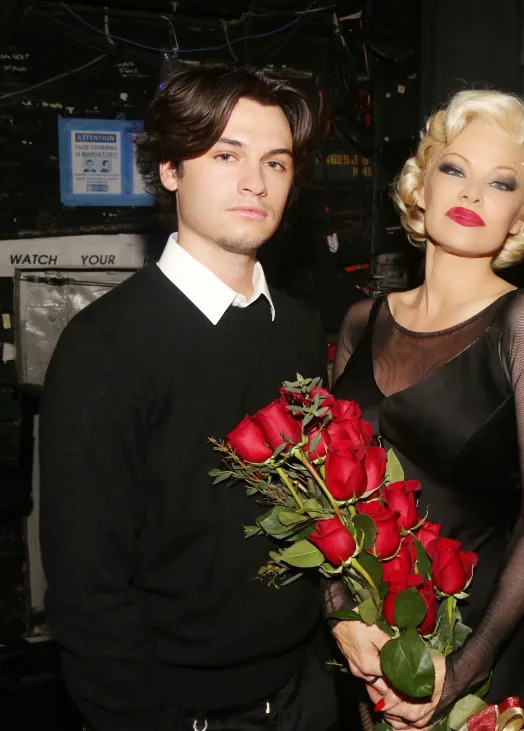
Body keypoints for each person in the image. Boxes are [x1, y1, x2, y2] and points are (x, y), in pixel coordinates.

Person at [40, 66, 338, 731]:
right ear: (171, 167)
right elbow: (90, 597)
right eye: (225, 154)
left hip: (305, 692)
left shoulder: (294, 327)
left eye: (277, 162)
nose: (255, 182)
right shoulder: (105, 347)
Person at [329, 89, 524, 730]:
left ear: (519, 217)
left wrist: (465, 667)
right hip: (369, 646)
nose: (471, 195)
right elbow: (330, 494)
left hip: (480, 655)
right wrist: (340, 614)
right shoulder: (364, 321)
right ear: (420, 188)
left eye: (500, 184)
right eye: (454, 170)